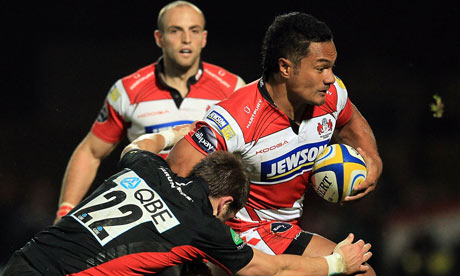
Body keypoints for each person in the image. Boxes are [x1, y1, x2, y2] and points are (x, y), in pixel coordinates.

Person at [166, 12, 383, 275]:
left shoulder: (331, 94)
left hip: (285, 229)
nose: (329, 78)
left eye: (331, 68)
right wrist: (201, 241)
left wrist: (373, 159)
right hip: (241, 231)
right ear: (285, 68)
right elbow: (176, 170)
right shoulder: (236, 118)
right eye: (321, 68)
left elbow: (349, 122)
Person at [2, 126, 373, 276]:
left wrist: (185, 132)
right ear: (226, 203)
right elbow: (272, 269)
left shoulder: (144, 165)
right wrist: (338, 262)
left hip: (25, 258)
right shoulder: (202, 225)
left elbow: (138, 144)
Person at [54, 0, 245, 222]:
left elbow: (250, 155)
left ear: (203, 38)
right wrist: (64, 211)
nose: (186, 39)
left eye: (194, 31)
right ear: (159, 38)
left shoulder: (233, 88)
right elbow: (91, 152)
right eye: (175, 31)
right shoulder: (127, 91)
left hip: (208, 218)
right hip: (145, 217)